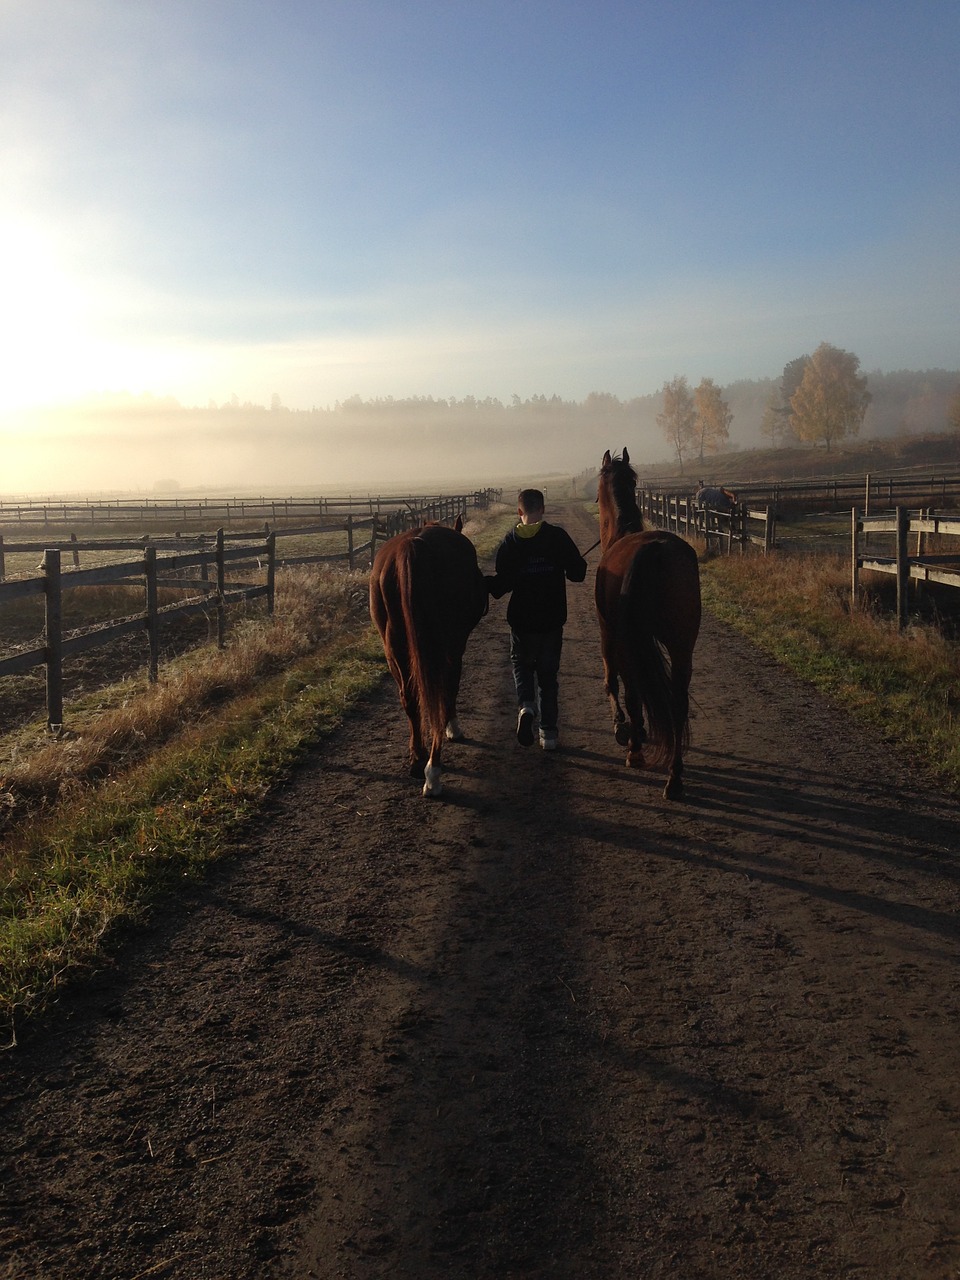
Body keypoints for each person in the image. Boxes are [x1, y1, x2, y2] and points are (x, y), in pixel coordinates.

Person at [486, 489, 587, 750]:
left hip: (521, 621)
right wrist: (571, 564)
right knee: (548, 676)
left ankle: (526, 707)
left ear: (519, 512)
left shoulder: (510, 541)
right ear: (542, 509)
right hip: (552, 620)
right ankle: (549, 735)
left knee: (521, 665)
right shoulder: (557, 537)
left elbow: (500, 587)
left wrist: (484, 584)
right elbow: (578, 574)